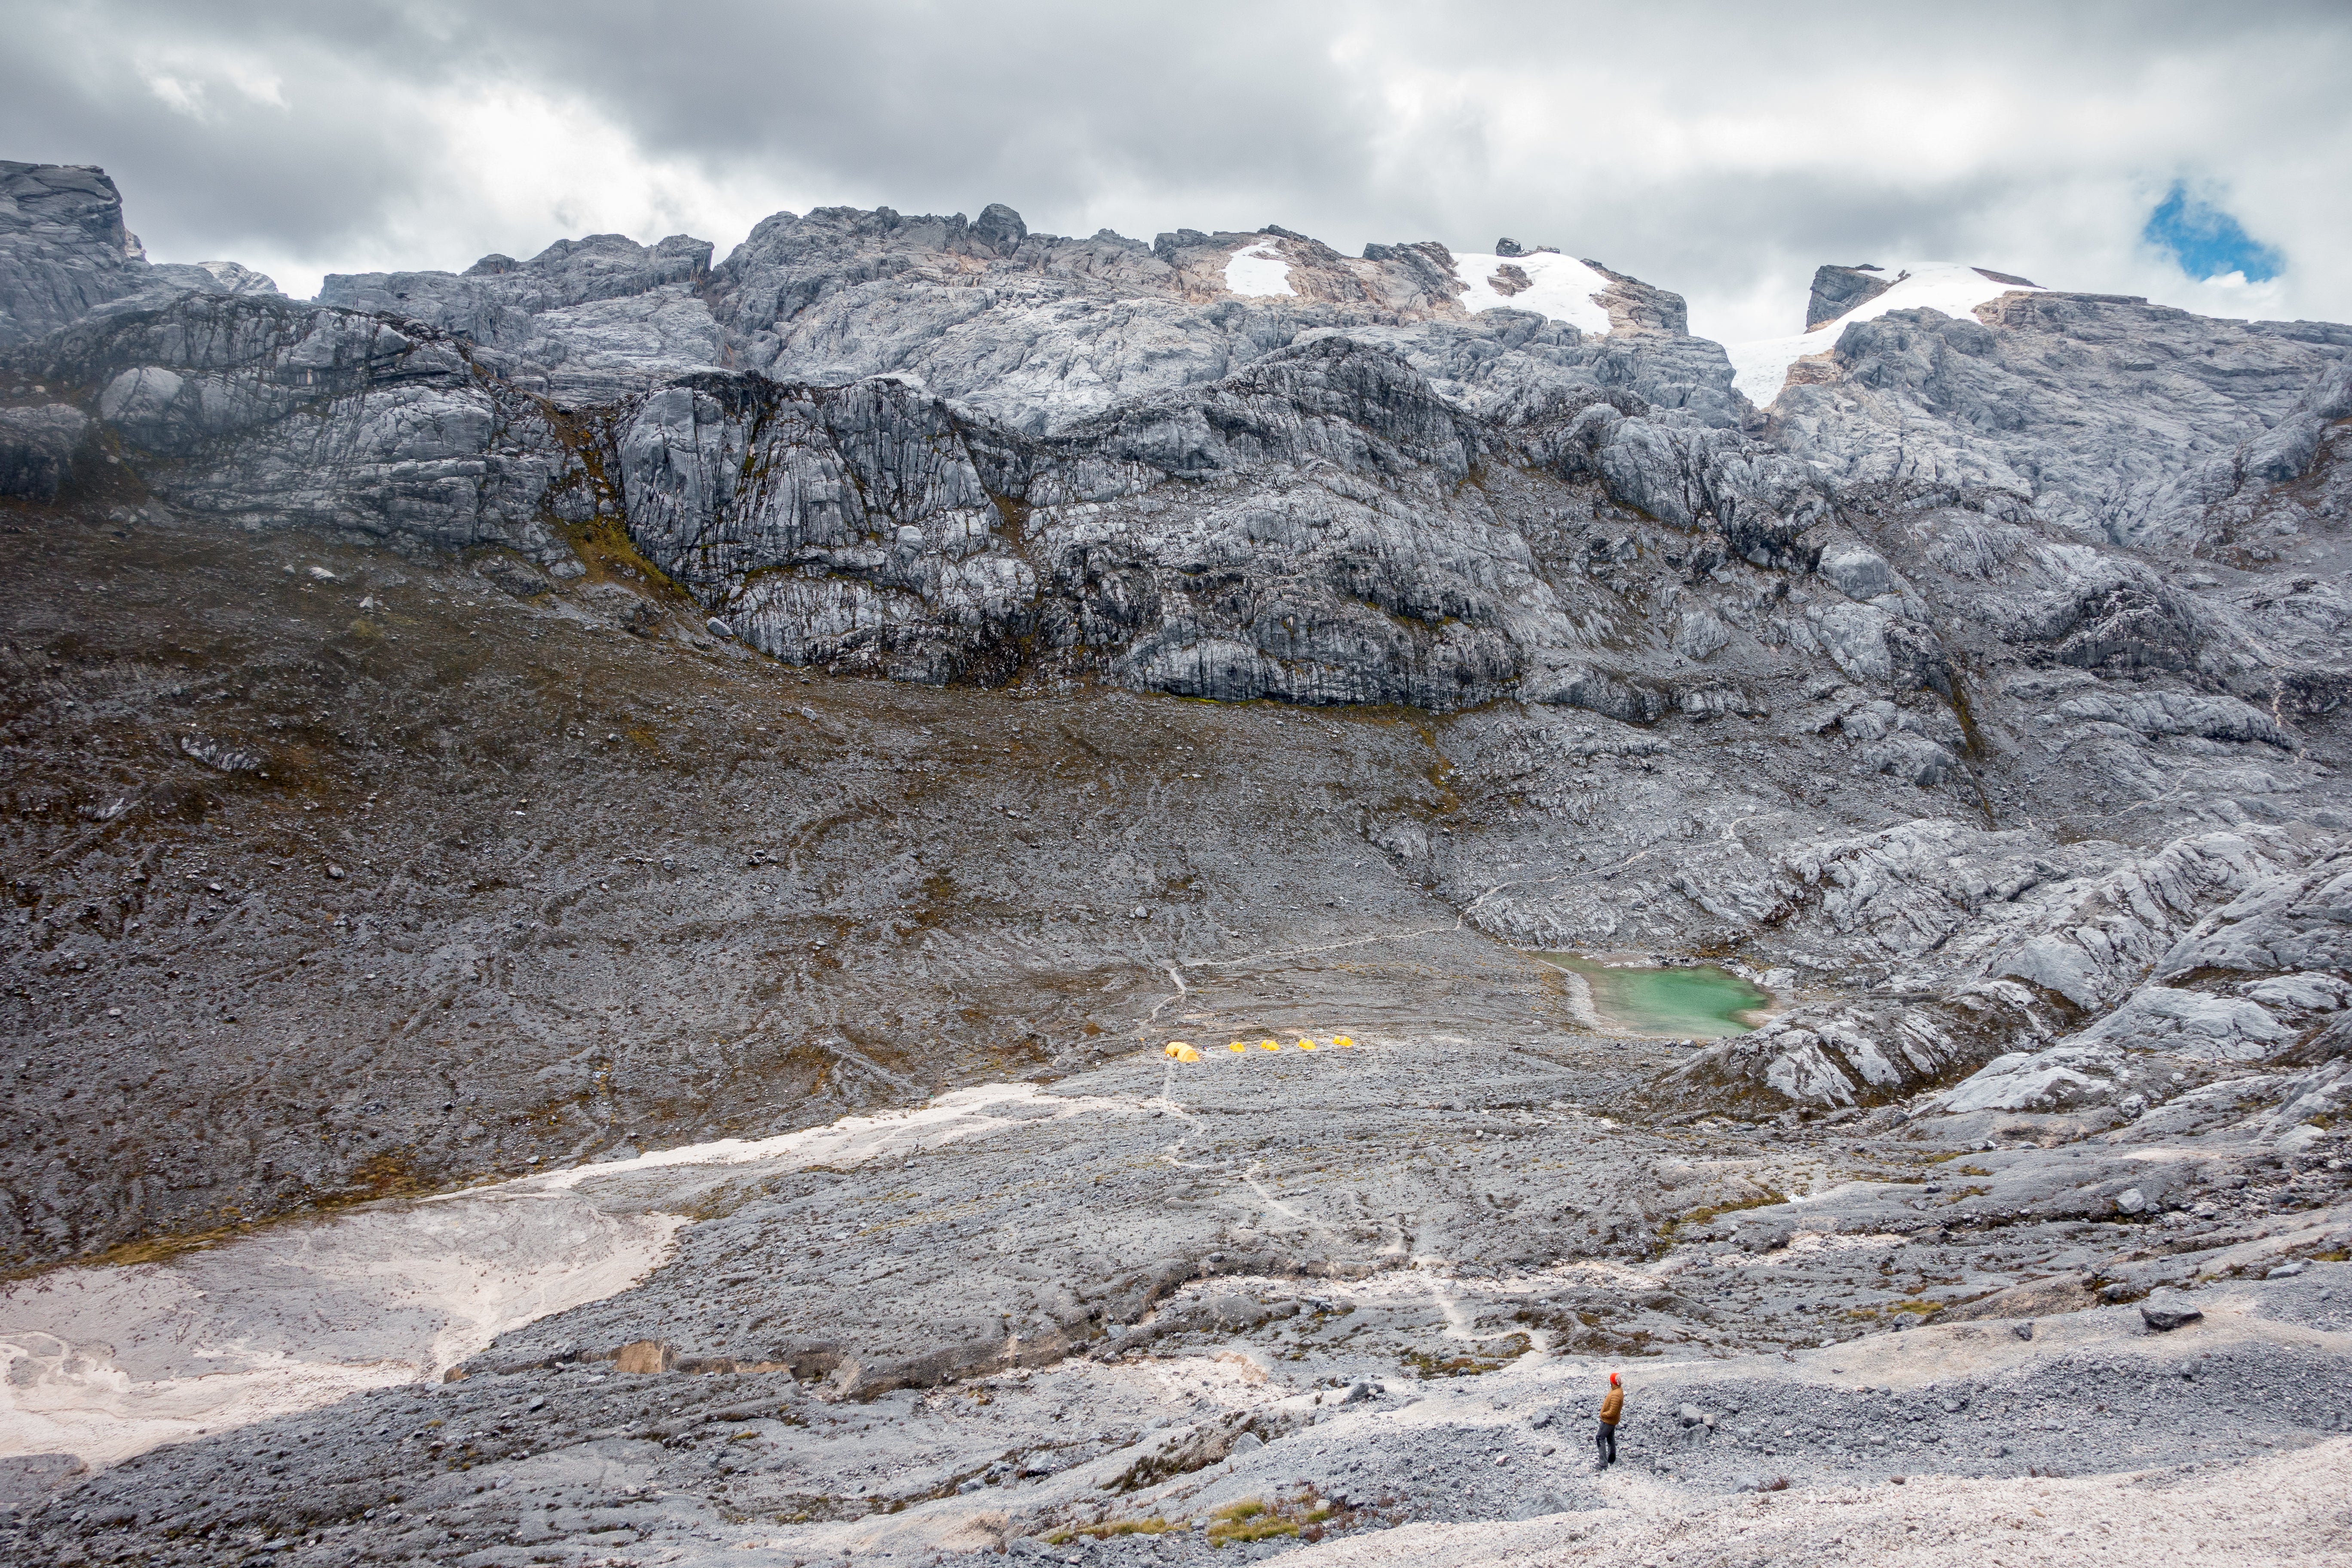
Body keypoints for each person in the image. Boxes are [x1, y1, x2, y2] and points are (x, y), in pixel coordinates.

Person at [1595, 1372, 1623, 1469]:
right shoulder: (1617, 1390)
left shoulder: (1616, 1394)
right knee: (1610, 1437)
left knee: (1599, 1438)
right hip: (1613, 1421)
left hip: (1608, 1421)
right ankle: (1612, 1458)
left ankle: (1603, 1463)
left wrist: (1603, 1414)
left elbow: (1612, 1412)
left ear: (1613, 1382)